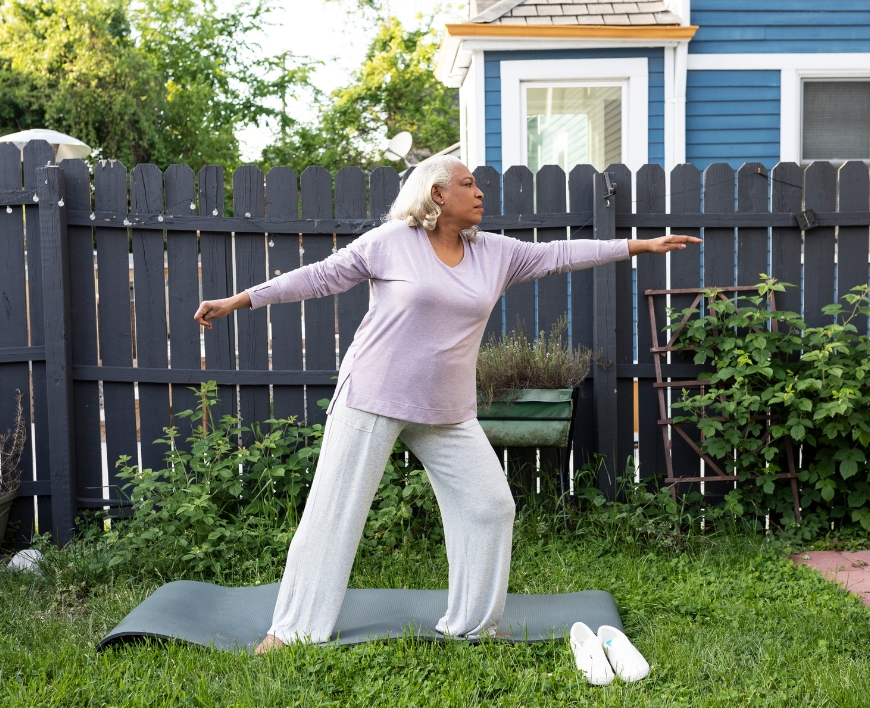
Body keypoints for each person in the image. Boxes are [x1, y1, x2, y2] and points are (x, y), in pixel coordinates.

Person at [193, 156, 699, 653]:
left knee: (490, 506)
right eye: (467, 184)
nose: (479, 193)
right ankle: (292, 631)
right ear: (437, 195)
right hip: (373, 394)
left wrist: (639, 245)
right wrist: (242, 300)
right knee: (335, 514)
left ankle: (474, 623)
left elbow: (561, 254)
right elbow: (320, 277)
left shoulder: (495, 254)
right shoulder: (392, 242)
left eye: (478, 185)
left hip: (446, 408)